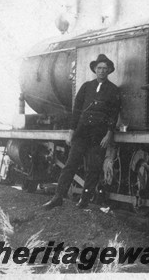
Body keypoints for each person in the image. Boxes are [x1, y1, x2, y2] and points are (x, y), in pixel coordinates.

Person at [43, 54, 121, 209]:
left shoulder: (113, 90)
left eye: (105, 69)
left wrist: (108, 134)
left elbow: (114, 113)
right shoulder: (86, 87)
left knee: (93, 169)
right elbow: (76, 110)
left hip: (99, 136)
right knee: (70, 165)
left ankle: (84, 200)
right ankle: (58, 197)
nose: (102, 71)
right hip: (82, 133)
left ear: (109, 71)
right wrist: (71, 131)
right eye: (99, 68)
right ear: (95, 70)